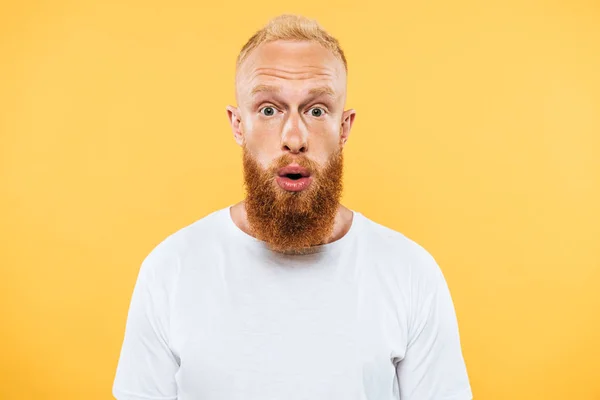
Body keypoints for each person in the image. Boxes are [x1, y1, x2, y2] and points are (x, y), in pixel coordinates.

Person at [112, 14, 472, 400]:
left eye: (316, 110)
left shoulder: (411, 273)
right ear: (238, 125)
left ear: (344, 128)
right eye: (269, 110)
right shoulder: (170, 270)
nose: (294, 138)